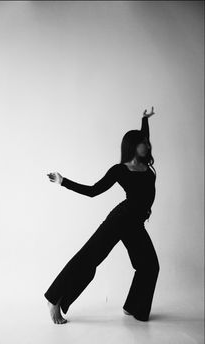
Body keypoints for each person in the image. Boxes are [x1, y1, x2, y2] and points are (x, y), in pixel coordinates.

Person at [44, 106, 160, 324]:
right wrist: (63, 181)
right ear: (133, 147)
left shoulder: (145, 165)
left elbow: (145, 136)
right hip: (119, 220)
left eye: (146, 142)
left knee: (149, 266)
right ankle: (53, 299)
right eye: (143, 142)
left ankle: (134, 307)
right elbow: (93, 191)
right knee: (88, 259)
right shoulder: (119, 170)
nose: (147, 144)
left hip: (135, 224)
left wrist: (144, 120)